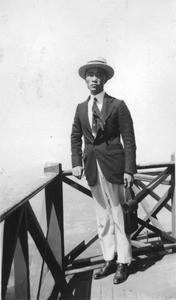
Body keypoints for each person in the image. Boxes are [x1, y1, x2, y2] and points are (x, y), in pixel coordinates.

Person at [71, 57, 136, 284]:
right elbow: (75, 136)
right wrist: (76, 161)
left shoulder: (118, 105)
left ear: (105, 79)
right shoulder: (81, 108)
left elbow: (129, 139)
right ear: (85, 80)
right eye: (91, 75)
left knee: (118, 213)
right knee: (103, 217)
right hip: (91, 167)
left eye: (99, 75)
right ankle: (109, 259)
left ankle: (124, 262)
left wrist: (129, 169)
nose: (94, 79)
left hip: (114, 167)